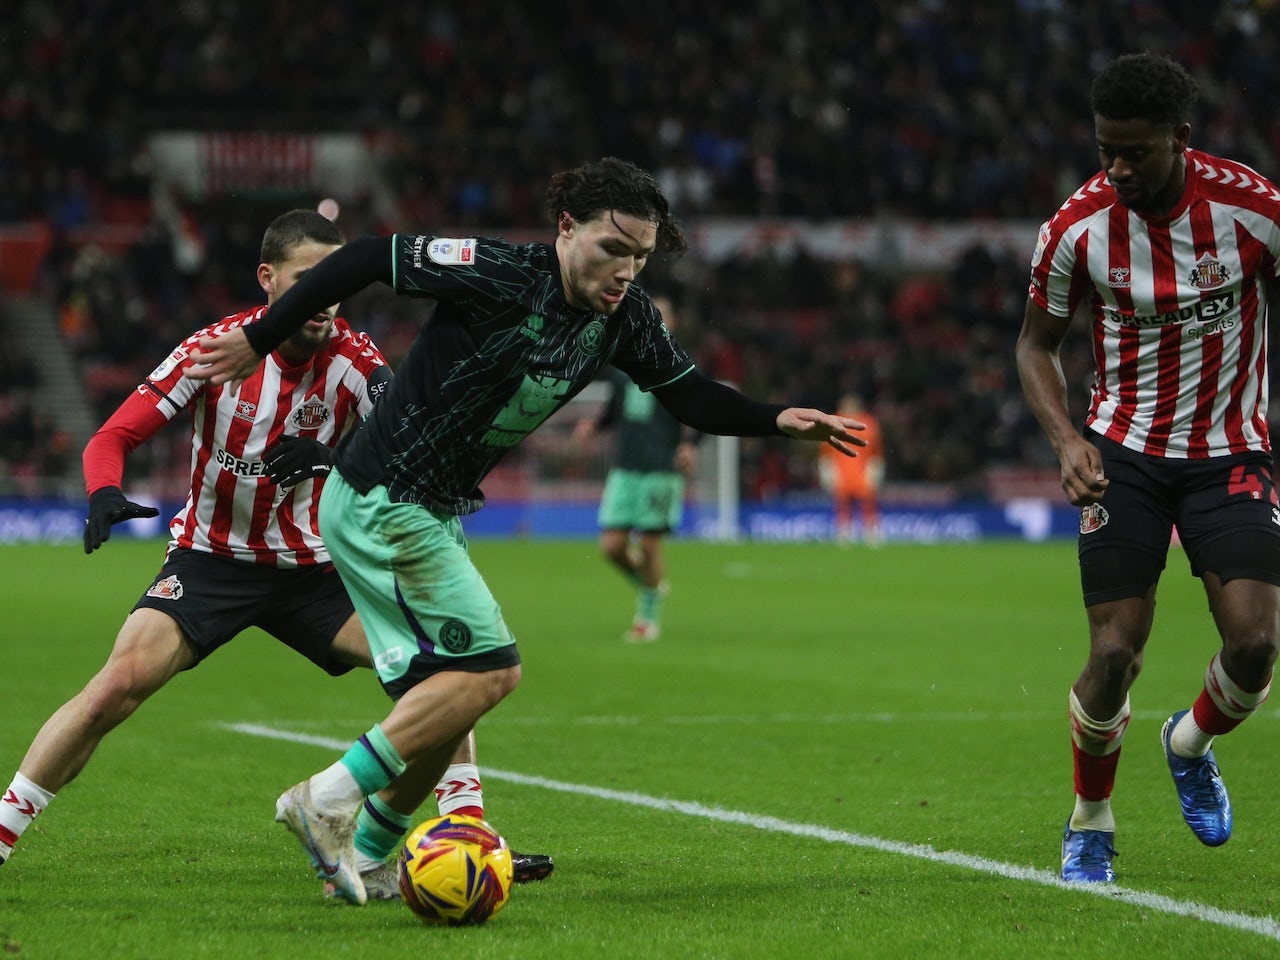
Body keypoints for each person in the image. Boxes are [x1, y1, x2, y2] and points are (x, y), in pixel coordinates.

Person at [186, 157, 867, 905]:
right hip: (386, 498)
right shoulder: (497, 272)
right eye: (614, 249)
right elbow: (362, 258)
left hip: (428, 508)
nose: (626, 272)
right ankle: (327, 798)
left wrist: (776, 418)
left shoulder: (625, 320)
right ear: (566, 228)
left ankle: (375, 852)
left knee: (446, 696)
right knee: (491, 671)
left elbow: (692, 397)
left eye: (640, 257)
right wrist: (262, 335)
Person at [0, 210, 552, 902]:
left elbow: (404, 438)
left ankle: (459, 833)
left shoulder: (354, 360)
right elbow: (112, 434)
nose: (324, 301)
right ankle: (2, 835)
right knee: (114, 688)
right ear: (268, 280)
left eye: (333, 284)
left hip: (318, 572)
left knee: (443, 680)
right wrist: (104, 489)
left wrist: (332, 455)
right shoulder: (215, 349)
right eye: (305, 282)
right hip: (211, 560)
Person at [1015, 53, 1279, 884]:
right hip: (1121, 452)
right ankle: (1091, 817)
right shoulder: (1076, 229)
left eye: (1136, 152)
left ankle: (1188, 741)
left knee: (1258, 644)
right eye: (1106, 151)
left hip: (1231, 449)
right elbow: (1034, 346)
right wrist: (1066, 440)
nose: (1118, 169)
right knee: (1114, 656)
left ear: (1182, 139)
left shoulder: (1256, 212)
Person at [572, 295, 699, 642]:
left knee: (648, 546)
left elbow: (700, 408)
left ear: (670, 323)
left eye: (662, 315)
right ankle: (651, 587)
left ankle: (647, 618)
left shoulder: (679, 363)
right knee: (611, 547)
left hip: (660, 466)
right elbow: (614, 410)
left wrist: (690, 444)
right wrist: (593, 427)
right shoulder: (623, 362)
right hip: (625, 466)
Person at [819, 392, 884, 546]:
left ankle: (871, 534)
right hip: (842, 473)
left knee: (868, 503)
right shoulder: (832, 422)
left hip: (862, 473)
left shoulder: (868, 423)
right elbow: (825, 453)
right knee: (842, 504)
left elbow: (876, 451)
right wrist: (827, 472)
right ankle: (844, 535)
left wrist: (876, 470)